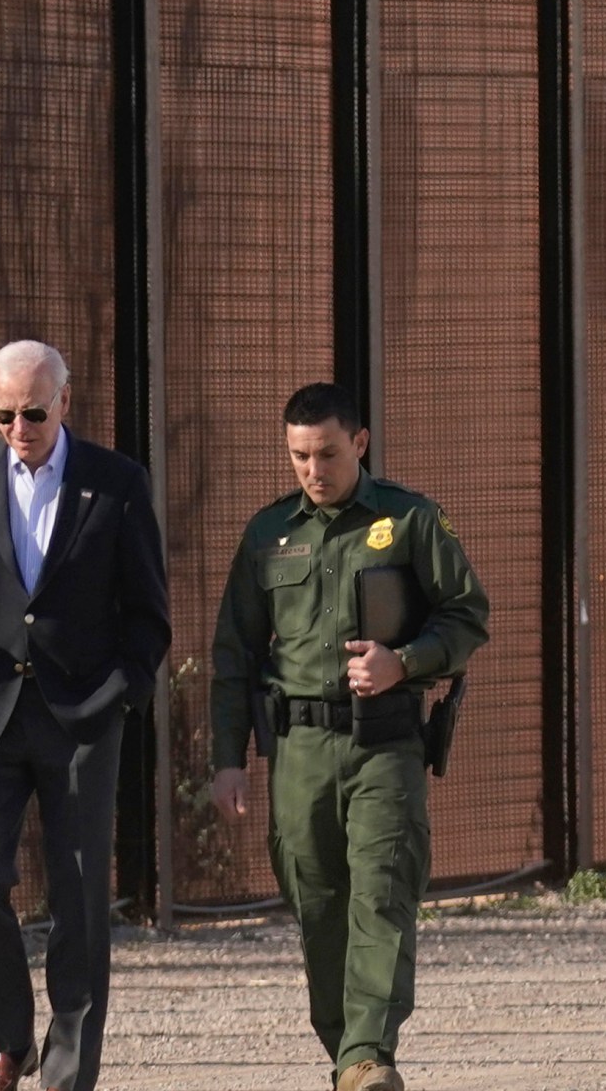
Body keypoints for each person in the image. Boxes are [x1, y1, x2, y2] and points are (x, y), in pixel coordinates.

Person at [208, 383, 490, 1091]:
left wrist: (407, 662)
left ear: (359, 443)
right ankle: (348, 1056)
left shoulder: (411, 519)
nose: (313, 468)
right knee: (318, 902)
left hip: (384, 743)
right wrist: (226, 761)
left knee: (381, 891)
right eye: (299, 455)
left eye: (327, 453)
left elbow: (466, 616)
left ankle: (369, 1053)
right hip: (298, 748)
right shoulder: (268, 533)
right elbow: (234, 656)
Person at [0, 340, 170, 1091]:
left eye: (31, 412)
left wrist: (120, 691)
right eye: (2, 415)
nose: (18, 428)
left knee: (80, 897)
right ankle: (7, 1037)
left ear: (64, 401)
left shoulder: (115, 484)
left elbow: (148, 612)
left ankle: (68, 1070)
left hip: (82, 716)